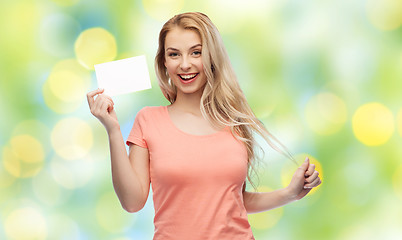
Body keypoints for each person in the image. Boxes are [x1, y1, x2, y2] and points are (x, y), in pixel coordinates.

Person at [87, 12, 321, 240]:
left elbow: (232, 201)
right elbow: (132, 202)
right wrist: (113, 130)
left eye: (196, 52)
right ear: (164, 62)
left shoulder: (234, 123)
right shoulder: (148, 120)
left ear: (211, 57)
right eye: (174, 54)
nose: (185, 64)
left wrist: (290, 194)